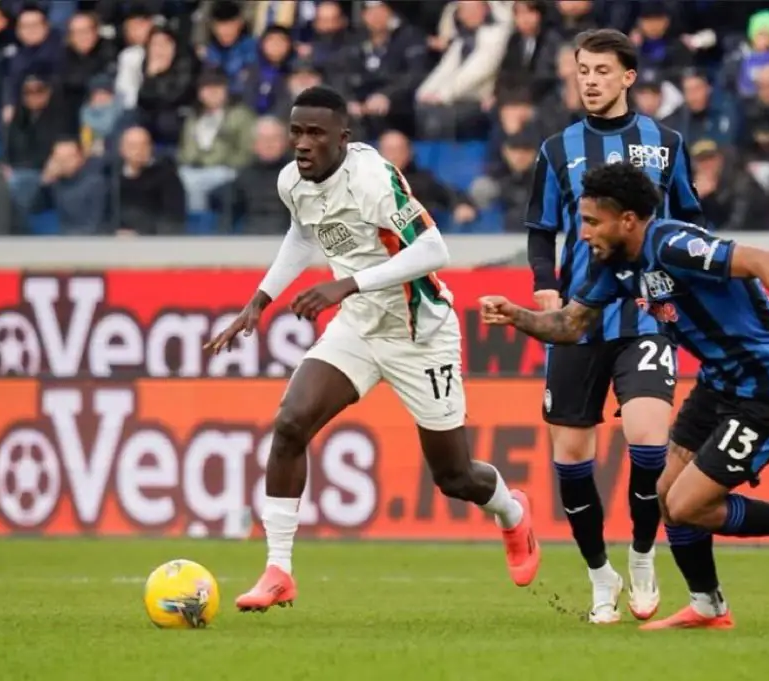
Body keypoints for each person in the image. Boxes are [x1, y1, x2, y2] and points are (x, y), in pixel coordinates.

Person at [483, 162, 769, 630]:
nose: (583, 233)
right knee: (665, 494)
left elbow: (768, 260)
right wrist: (516, 315)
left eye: (592, 221)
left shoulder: (673, 244)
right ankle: (708, 605)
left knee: (688, 505)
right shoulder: (614, 265)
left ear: (627, 220)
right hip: (720, 383)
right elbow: (571, 325)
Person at [205, 86, 540, 612]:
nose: (302, 143)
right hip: (359, 328)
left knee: (454, 476)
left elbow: (434, 249)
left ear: (343, 138)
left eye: (315, 133)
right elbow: (302, 235)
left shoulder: (374, 180)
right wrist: (259, 300)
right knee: (290, 424)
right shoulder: (292, 180)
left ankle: (511, 512)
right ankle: (278, 570)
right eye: (296, 132)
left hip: (420, 333)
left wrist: (347, 284)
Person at [526, 28, 702, 624]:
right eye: (583, 70)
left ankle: (643, 553)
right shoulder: (557, 149)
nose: (591, 80)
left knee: (650, 441)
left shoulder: (667, 144)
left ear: (628, 77)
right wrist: (544, 285)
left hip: (646, 316)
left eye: (602, 70)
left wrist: (683, 285)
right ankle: (601, 576)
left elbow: (692, 221)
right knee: (572, 459)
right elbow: (540, 231)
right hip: (577, 319)